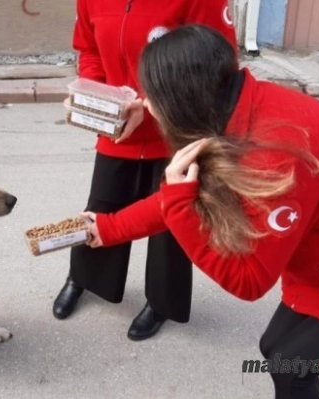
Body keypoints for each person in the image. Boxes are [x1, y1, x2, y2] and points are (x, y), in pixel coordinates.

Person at [81, 24, 319, 398]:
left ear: (183, 101)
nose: (146, 105)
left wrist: (182, 207)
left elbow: (249, 281)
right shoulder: (237, 105)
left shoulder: (275, 157)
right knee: (274, 351)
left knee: (290, 368)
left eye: (151, 96)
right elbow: (183, 191)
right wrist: (109, 228)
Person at [53, 0, 238, 341]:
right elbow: (89, 49)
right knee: (103, 205)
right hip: (118, 129)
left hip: (177, 131)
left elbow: (217, 63)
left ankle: (162, 303)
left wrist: (147, 103)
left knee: (171, 221)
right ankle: (83, 278)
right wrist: (94, 95)